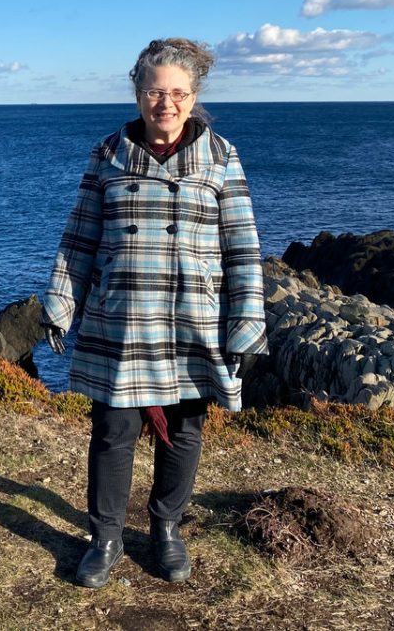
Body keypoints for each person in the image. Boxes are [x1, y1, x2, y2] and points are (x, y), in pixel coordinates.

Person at [40, 37, 267, 588]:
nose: (165, 103)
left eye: (178, 93)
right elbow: (80, 238)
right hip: (121, 314)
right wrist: (60, 302)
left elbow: (242, 245)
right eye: (154, 91)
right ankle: (107, 537)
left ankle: (166, 530)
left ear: (194, 98)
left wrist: (246, 321)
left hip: (194, 317)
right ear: (138, 93)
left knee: (185, 432)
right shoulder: (107, 153)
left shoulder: (221, 156)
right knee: (113, 432)